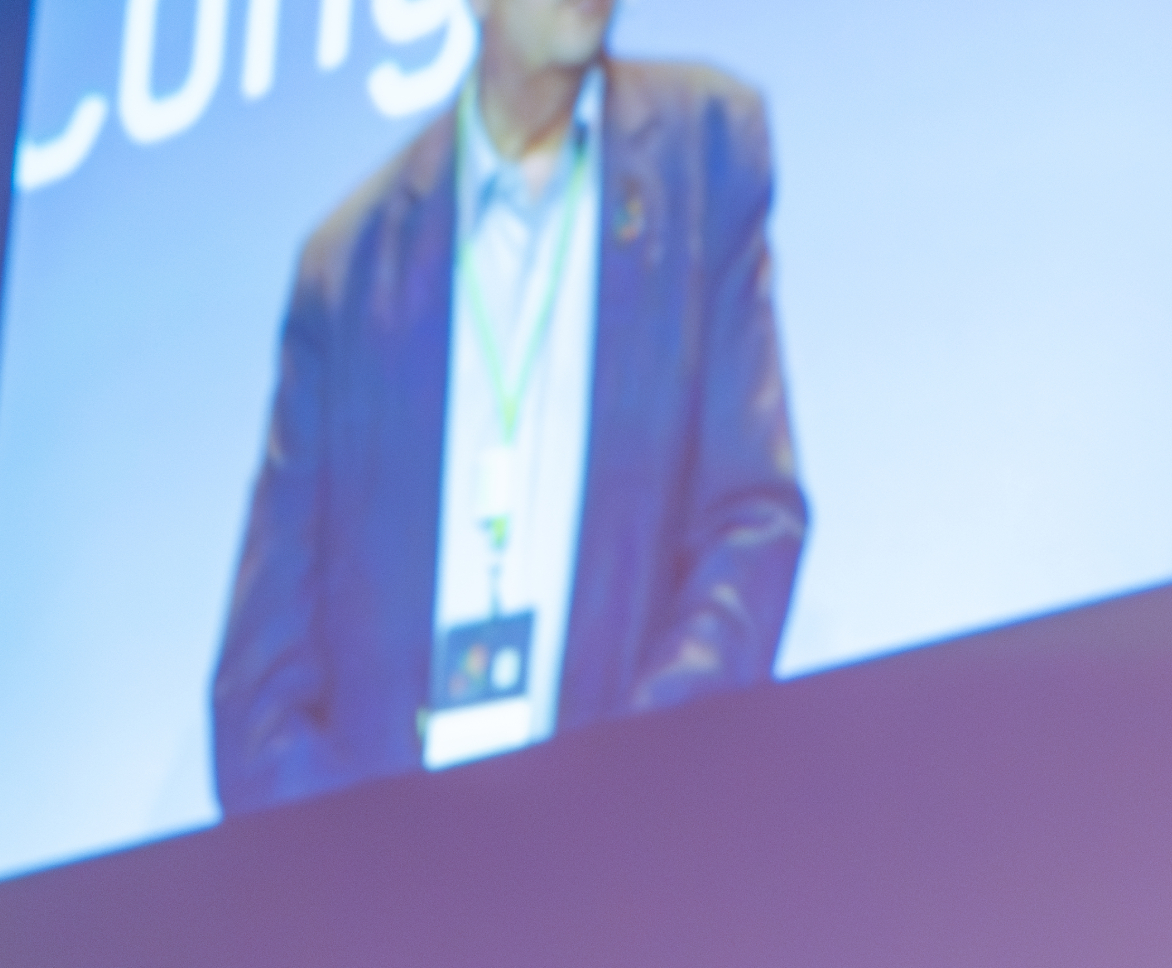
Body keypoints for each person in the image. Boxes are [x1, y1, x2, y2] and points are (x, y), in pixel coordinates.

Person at [211, 0, 807, 816]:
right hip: (395, 917)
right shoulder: (346, 268)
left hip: (630, 874)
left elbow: (752, 521)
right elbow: (259, 692)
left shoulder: (703, 150)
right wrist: (376, 875)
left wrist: (613, 801)